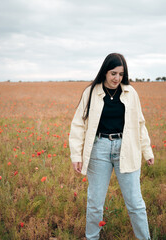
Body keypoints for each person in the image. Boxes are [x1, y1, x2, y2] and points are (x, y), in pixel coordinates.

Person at [69, 53, 154, 240]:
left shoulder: (131, 93)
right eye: (113, 73)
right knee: (94, 202)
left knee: (135, 203)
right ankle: (92, 237)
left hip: (127, 148)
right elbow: (78, 124)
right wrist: (76, 155)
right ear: (105, 72)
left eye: (121, 74)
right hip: (99, 149)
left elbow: (140, 123)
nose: (117, 78)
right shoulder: (91, 92)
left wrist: (147, 150)